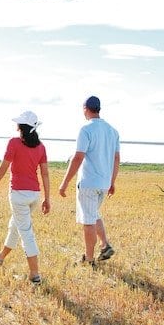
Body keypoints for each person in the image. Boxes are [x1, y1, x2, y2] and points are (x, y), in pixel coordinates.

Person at [0, 111, 51, 284]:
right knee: (15, 225)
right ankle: (0, 256)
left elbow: (2, 169)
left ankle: (35, 274)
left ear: (21, 127)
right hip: (34, 195)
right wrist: (47, 198)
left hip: (19, 195)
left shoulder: (14, 143)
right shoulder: (41, 147)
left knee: (26, 233)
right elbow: (45, 174)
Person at [58, 95, 121, 266]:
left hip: (88, 183)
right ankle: (105, 244)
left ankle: (89, 258)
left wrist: (64, 183)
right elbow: (116, 159)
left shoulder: (86, 129)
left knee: (88, 222)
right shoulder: (113, 131)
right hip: (104, 183)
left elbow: (78, 157)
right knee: (93, 214)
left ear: (85, 109)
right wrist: (112, 181)